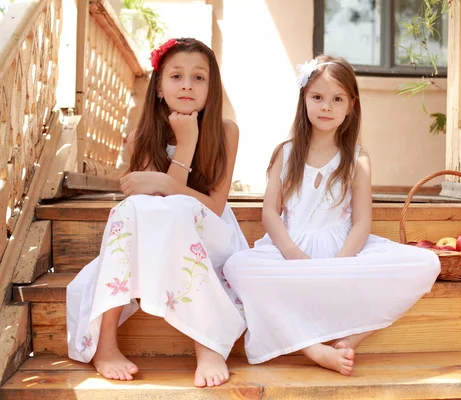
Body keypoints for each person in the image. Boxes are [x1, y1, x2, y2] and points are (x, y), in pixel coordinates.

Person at [223, 55, 441, 376]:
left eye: (337, 99)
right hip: (291, 248)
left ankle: (350, 339)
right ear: (305, 99)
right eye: (317, 97)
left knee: (427, 263)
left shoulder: (357, 159)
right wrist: (293, 253)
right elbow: (270, 212)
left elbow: (362, 222)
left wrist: (341, 264)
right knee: (236, 267)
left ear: (351, 105)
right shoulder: (285, 153)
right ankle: (311, 348)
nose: (326, 107)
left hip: (343, 251)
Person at [66, 38, 247, 388]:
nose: (187, 85)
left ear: (212, 88)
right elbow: (151, 201)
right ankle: (105, 344)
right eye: (176, 76)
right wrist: (178, 154)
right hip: (157, 235)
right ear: (160, 88)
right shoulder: (141, 137)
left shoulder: (226, 132)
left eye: (199, 78)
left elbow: (213, 205)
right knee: (130, 208)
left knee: (177, 206)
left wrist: (186, 147)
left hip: (211, 233)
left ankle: (207, 341)